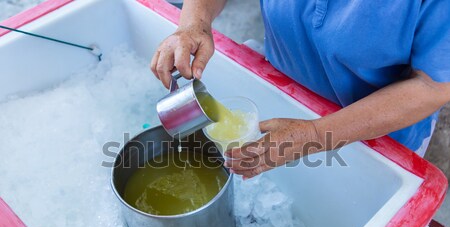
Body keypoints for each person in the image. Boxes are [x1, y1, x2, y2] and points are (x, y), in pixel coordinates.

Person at [151, 0, 450, 179]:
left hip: (375, 130)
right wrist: (194, 24)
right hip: (282, 85)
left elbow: (431, 86)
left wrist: (317, 135)